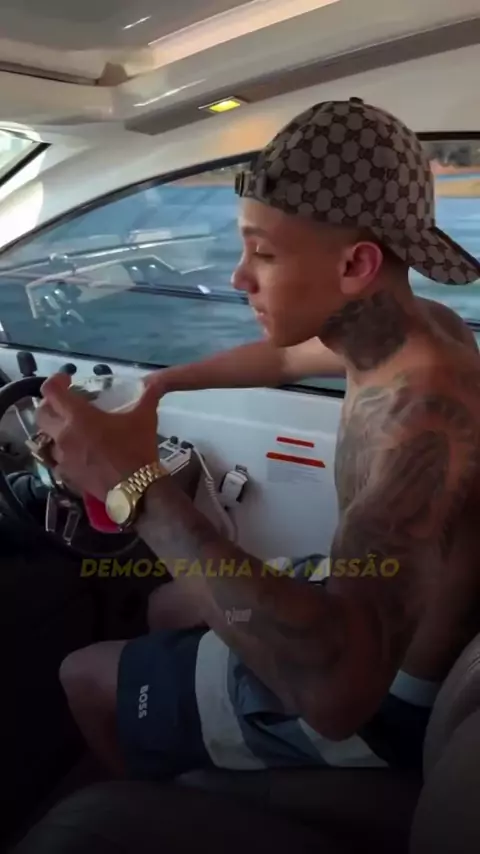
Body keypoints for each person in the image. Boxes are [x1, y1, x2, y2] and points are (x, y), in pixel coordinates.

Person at [36, 97, 480, 779]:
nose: (237, 276)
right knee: (166, 603)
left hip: (388, 706)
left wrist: (135, 485)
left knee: (84, 673)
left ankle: (154, 809)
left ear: (356, 266)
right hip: (372, 603)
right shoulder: (410, 330)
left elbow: (339, 697)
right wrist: (159, 386)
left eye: (263, 253)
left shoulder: (421, 424)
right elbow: (282, 359)